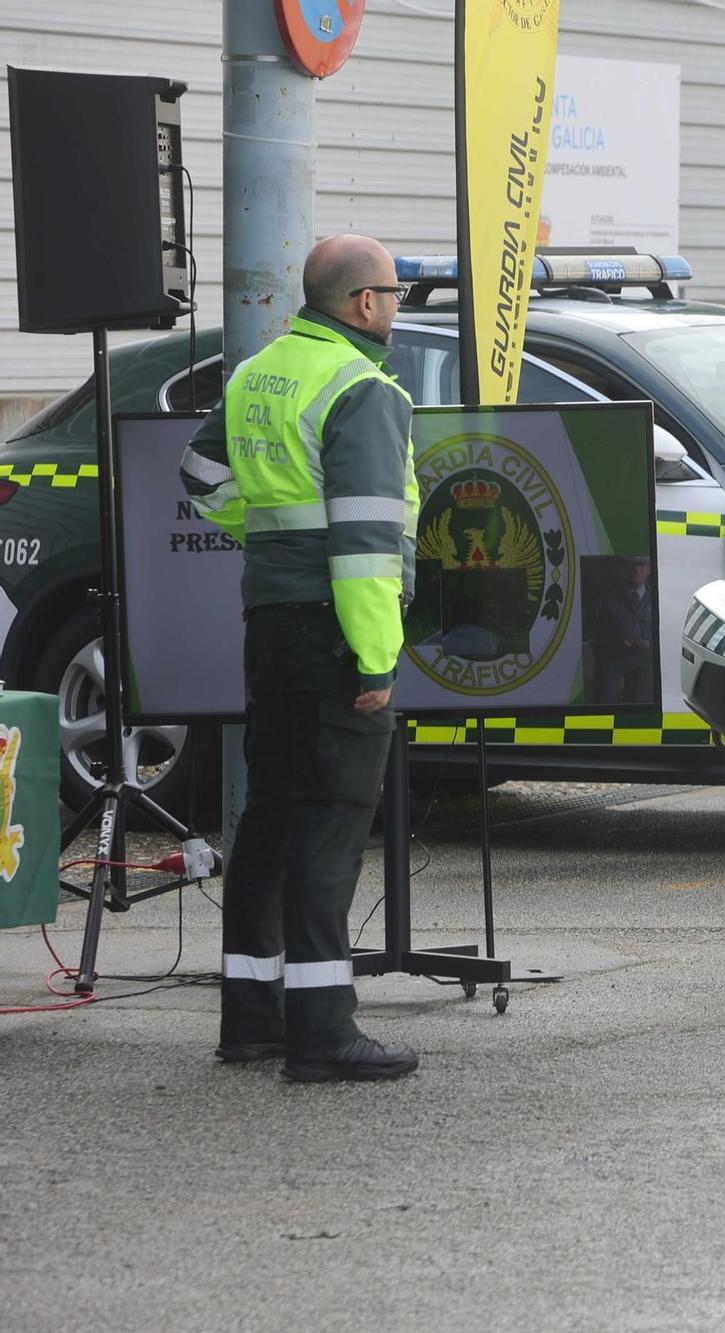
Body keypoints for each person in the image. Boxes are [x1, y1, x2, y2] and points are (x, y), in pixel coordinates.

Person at [178, 233, 420, 1082]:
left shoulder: (257, 374)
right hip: (336, 632)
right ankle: (323, 1032)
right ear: (363, 303)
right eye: (395, 291)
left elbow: (201, 474)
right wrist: (375, 659)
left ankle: (251, 1019)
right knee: (329, 827)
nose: (398, 304)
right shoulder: (362, 388)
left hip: (272, 624)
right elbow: (362, 545)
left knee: (272, 817)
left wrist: (275, 539)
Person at [589, 559, 654, 705]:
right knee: (603, 706)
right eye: (632, 564)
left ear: (649, 568)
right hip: (610, 660)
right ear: (623, 567)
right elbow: (592, 632)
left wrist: (649, 641)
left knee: (639, 711)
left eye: (641, 564)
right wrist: (613, 641)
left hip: (644, 662)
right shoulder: (606, 598)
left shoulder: (656, 598)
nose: (636, 569)